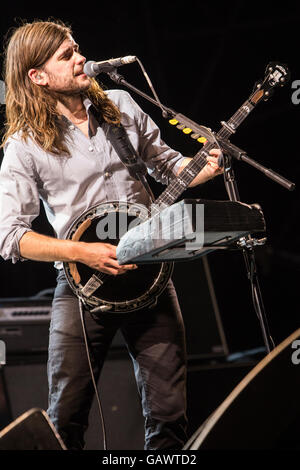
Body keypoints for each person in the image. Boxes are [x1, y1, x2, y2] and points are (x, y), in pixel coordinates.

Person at [0, 20, 222, 450]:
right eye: (66, 56)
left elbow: (166, 165)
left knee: (169, 415)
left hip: (151, 275)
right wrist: (80, 251)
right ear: (37, 76)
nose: (81, 58)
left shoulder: (119, 105)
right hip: (84, 285)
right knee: (67, 416)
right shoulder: (24, 145)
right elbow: (10, 237)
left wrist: (203, 168)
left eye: (77, 48)